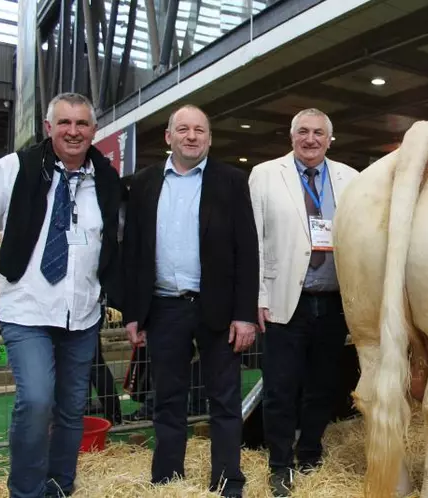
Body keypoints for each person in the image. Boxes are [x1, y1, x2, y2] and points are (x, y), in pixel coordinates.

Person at [0, 92, 122, 498]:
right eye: (64, 123)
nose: (73, 131)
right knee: (37, 400)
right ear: (49, 128)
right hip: (27, 310)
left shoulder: (106, 180)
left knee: (71, 408)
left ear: (94, 131)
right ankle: (25, 491)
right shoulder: (15, 169)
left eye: (82, 124)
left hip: (80, 314)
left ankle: (59, 486)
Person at [122, 104, 259, 498]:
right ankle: (167, 480)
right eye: (182, 129)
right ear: (168, 137)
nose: (191, 136)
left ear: (209, 138)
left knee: (225, 400)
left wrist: (245, 315)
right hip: (164, 307)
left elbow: (247, 251)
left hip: (217, 308)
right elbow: (132, 251)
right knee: (167, 400)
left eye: (199, 130)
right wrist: (134, 313)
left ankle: (228, 481)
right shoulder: (145, 183)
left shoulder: (231, 181)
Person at [248, 108, 359, 497]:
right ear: (291, 136)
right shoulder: (265, 174)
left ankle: (310, 452)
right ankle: (280, 464)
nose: (310, 140)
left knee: (323, 387)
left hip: (333, 302)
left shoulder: (352, 179)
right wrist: (257, 297)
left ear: (331, 138)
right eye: (303, 132)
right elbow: (254, 242)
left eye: (318, 133)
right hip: (283, 301)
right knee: (280, 387)